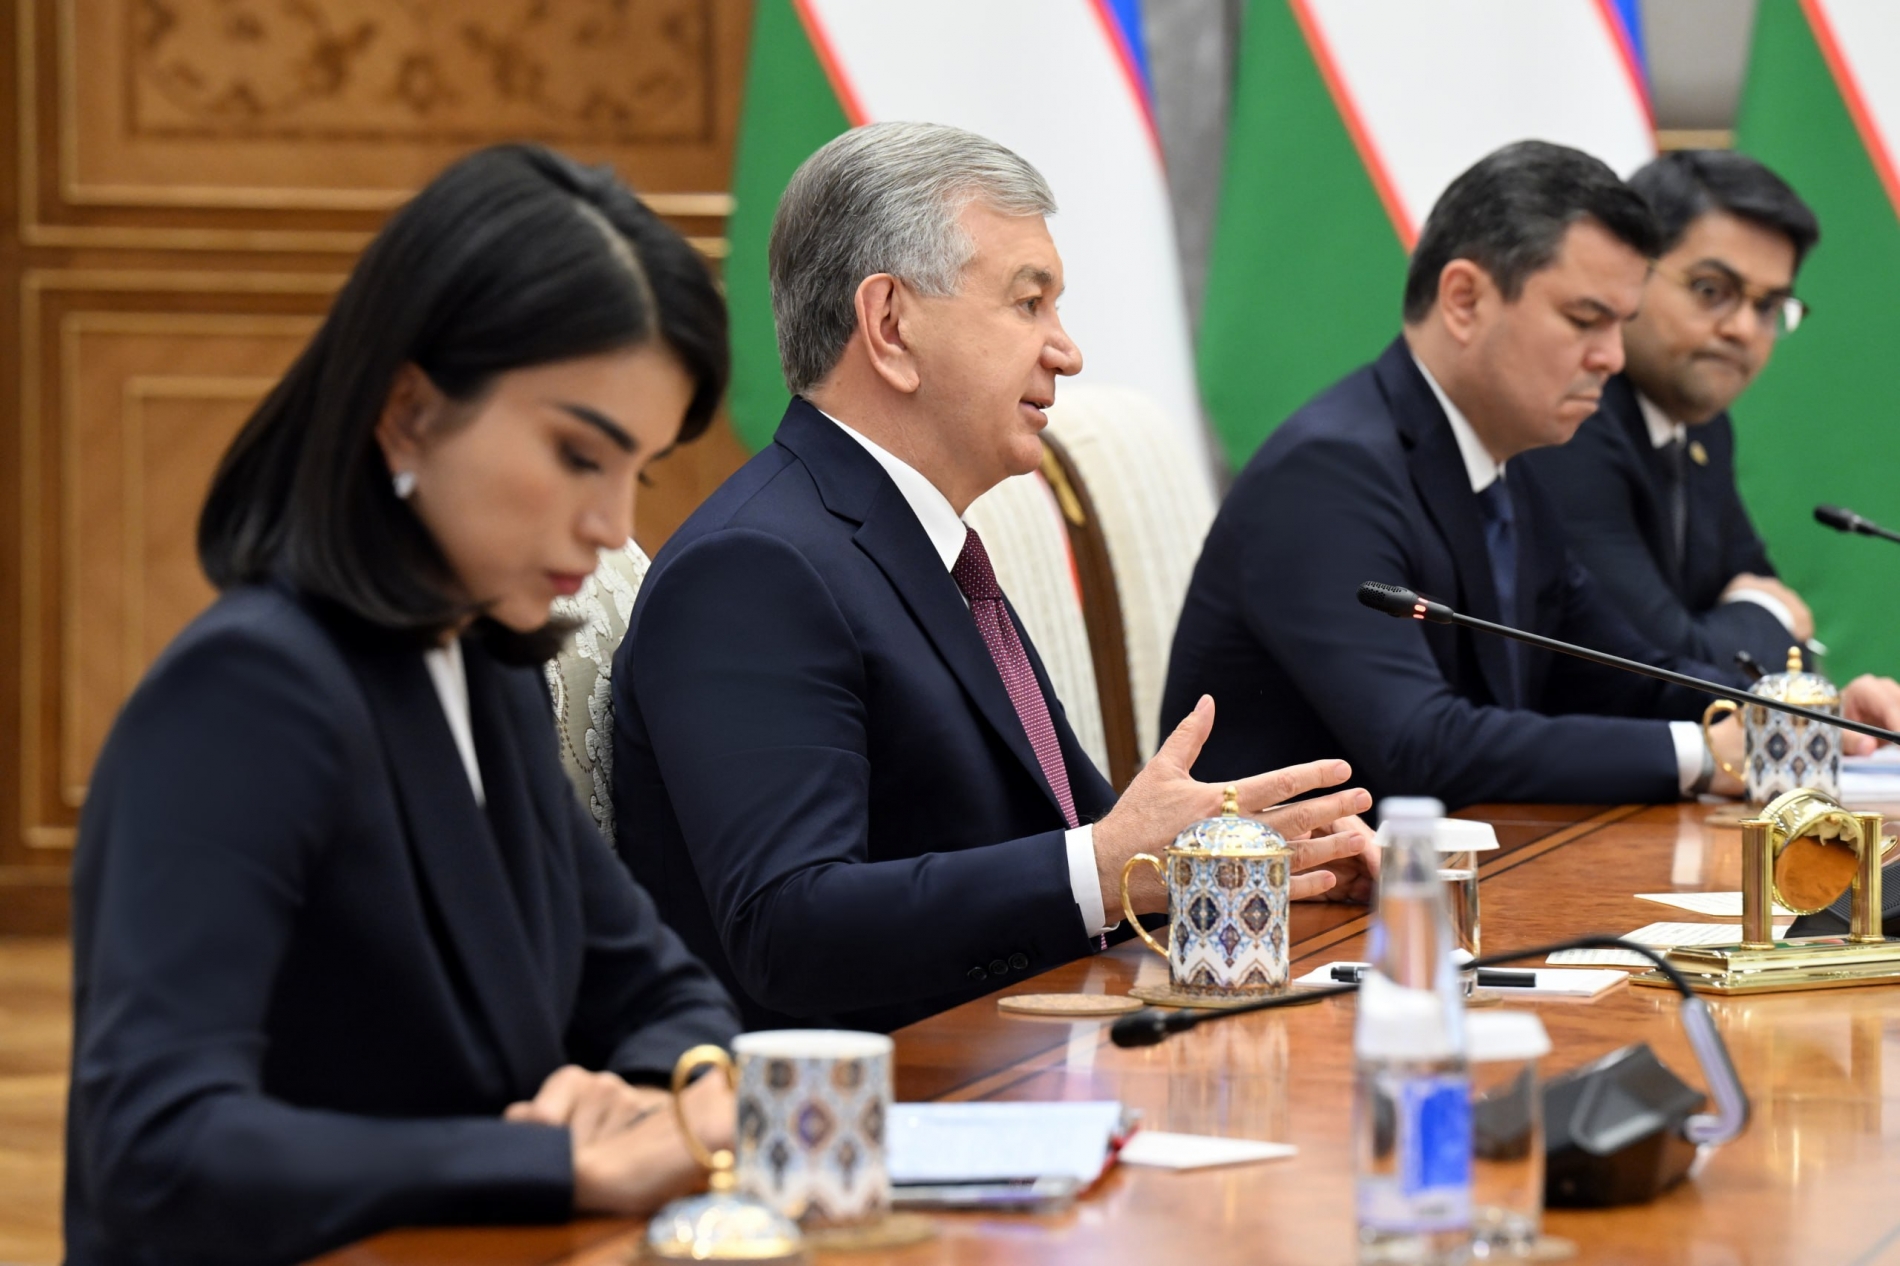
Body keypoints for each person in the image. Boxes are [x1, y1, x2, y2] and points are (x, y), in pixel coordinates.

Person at [64, 145, 741, 1266]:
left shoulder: (482, 661)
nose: (614, 526)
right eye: (580, 454)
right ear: (409, 411)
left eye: (642, 471)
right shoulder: (247, 691)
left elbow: (658, 987)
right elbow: (156, 1149)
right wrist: (558, 1165)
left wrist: (669, 1092)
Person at [613, 122, 1377, 1034]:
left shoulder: (922, 545)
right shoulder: (754, 569)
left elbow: (1073, 844)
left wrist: (1251, 862)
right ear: (890, 326)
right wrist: (1107, 865)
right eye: (1028, 303)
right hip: (892, 1093)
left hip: (1020, 1052)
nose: (1066, 351)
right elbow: (790, 925)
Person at [1161, 141, 1774, 809]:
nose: (1612, 358)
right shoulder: (1326, 474)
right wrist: (1704, 755)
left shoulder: (1506, 465)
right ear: (1463, 299)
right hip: (1286, 875)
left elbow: (1624, 674)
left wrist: (1794, 718)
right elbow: (1420, 745)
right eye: (1585, 320)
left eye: (1620, 325)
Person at [1520, 151, 1900, 728]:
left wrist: (1828, 714)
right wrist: (1764, 611)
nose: (1743, 328)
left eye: (1768, 305)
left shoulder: (1703, 429)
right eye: (1710, 289)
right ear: (1629, 274)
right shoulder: (1572, 421)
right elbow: (1658, 671)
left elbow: (1772, 660)